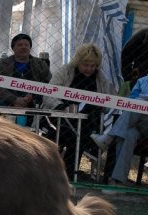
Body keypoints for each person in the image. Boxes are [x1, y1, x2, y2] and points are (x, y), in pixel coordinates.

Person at [42, 43, 116, 179]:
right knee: (71, 133)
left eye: (93, 66)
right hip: (61, 116)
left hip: (88, 120)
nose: (89, 69)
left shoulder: (100, 78)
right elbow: (49, 94)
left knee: (81, 133)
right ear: (78, 62)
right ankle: (57, 170)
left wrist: (100, 105)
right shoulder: (65, 71)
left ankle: (69, 172)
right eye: (86, 65)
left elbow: (108, 102)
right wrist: (60, 106)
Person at [90, 73, 148, 186]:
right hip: (140, 123)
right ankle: (118, 180)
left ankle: (108, 137)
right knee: (128, 134)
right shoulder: (143, 81)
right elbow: (130, 101)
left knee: (138, 106)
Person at [0, 33, 51, 108]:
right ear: (13, 48)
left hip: (34, 102)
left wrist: (33, 96)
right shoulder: (2, 65)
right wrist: (14, 99)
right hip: (8, 101)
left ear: (30, 48)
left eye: (26, 45)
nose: (23, 47)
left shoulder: (41, 65)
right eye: (20, 45)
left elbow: (49, 85)